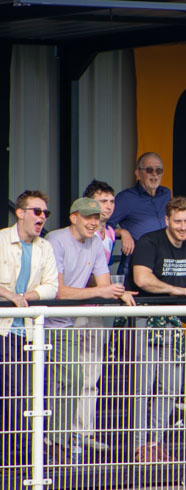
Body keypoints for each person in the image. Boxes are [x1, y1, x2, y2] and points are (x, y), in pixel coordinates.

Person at [45, 197, 136, 463]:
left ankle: (69, 438)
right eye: (88, 217)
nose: (94, 222)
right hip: (47, 319)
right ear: (73, 217)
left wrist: (119, 292)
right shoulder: (55, 240)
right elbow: (57, 291)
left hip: (75, 317)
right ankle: (49, 440)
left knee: (81, 379)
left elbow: (105, 283)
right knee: (54, 382)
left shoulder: (96, 241)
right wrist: (102, 291)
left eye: (96, 217)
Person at [128, 196, 186, 463]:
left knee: (170, 387)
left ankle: (156, 442)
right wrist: (174, 289)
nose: (182, 226)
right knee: (143, 386)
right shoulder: (149, 241)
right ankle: (139, 445)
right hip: (147, 319)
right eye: (177, 221)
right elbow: (142, 279)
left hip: (172, 322)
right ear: (167, 220)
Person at [0, 191, 58, 471]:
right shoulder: (1, 239)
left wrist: (26, 296)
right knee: (14, 395)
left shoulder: (44, 246)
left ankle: (24, 457)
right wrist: (10, 295)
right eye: (37, 211)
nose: (42, 217)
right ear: (20, 213)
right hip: (4, 329)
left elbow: (52, 286)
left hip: (29, 334)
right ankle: (17, 456)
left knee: (26, 395)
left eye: (45, 213)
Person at [69, 181, 122, 454]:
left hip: (98, 307)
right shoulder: (75, 236)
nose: (108, 206)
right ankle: (65, 435)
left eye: (111, 201)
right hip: (77, 307)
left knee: (92, 374)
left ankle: (84, 431)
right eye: (102, 201)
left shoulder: (111, 231)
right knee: (72, 374)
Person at [107, 152, 170, 276]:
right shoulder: (126, 198)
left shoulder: (166, 194)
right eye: (149, 170)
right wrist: (123, 232)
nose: (154, 174)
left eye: (159, 170)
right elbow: (104, 225)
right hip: (135, 264)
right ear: (138, 173)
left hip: (162, 263)